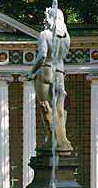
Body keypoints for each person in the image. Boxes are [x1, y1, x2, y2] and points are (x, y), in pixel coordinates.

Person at [27, 8, 73, 151]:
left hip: (45, 69)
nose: (45, 19)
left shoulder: (44, 34)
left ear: (50, 18)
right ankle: (62, 139)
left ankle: (53, 138)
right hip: (59, 72)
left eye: (46, 16)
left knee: (45, 105)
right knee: (59, 107)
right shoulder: (66, 37)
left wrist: (32, 71)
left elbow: (42, 55)